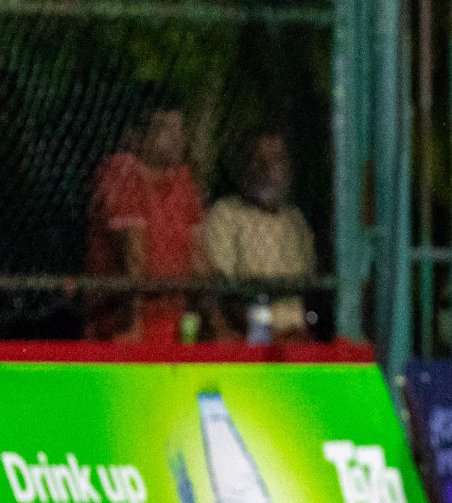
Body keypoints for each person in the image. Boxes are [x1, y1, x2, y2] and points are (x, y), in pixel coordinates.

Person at [84, 102, 207, 343]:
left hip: (177, 318)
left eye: (179, 130)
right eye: (166, 129)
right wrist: (134, 327)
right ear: (137, 136)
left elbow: (201, 259)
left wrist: (216, 325)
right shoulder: (122, 172)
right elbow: (133, 255)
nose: (177, 138)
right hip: (121, 319)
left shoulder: (183, 178)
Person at [205, 132, 317, 342]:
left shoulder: (295, 219)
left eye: (277, 159)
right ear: (245, 168)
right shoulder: (227, 213)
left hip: (298, 334)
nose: (268, 168)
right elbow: (225, 290)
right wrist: (265, 331)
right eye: (259, 160)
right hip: (254, 333)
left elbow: (308, 286)